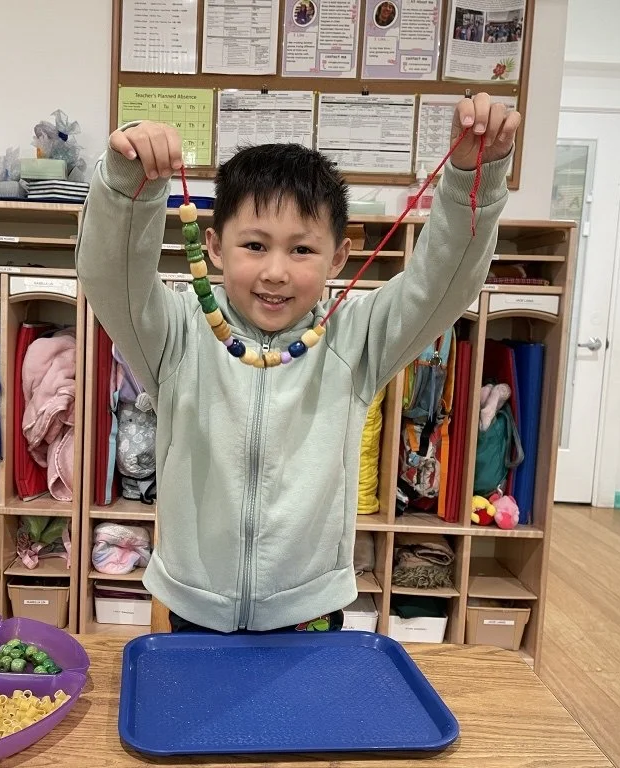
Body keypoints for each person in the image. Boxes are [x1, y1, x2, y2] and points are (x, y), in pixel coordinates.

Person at [76, 94, 520, 633]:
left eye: (302, 250)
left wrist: (475, 175)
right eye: (255, 245)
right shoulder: (177, 334)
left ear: (340, 256)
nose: (276, 272)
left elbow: (442, 286)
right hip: (194, 605)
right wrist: (127, 182)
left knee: (303, 721)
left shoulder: (354, 341)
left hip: (308, 608)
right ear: (213, 247)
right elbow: (109, 276)